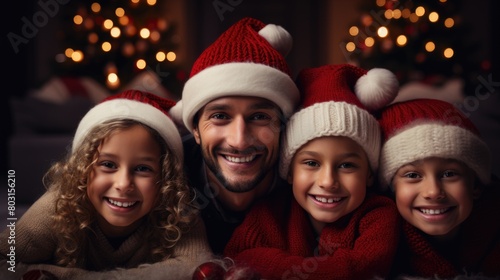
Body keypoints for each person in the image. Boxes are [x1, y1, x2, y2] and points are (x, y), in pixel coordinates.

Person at [0, 90, 213, 279]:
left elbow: (194, 268)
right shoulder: (57, 207)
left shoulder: (177, 211)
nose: (123, 184)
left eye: (142, 169)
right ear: (82, 170)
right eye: (108, 164)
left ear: (166, 178)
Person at [223, 64, 402, 279]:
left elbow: (359, 270)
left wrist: (272, 264)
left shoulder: (379, 214)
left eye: (346, 166)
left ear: (369, 175)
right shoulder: (271, 211)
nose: (327, 181)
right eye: (311, 163)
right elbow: (236, 258)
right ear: (289, 172)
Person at [169, 17, 300, 255]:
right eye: (220, 116)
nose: (239, 141)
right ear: (195, 129)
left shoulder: (311, 183)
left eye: (259, 116)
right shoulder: (162, 180)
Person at [377, 98, 500, 279]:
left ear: (476, 186)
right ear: (392, 189)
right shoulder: (380, 247)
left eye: (449, 174)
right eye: (412, 175)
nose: (433, 192)